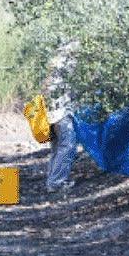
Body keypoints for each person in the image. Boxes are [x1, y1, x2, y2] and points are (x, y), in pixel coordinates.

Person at [43, 40, 80, 192]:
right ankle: (56, 182)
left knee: (57, 148)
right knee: (67, 146)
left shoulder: (54, 66)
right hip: (61, 113)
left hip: (51, 114)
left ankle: (52, 181)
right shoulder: (68, 65)